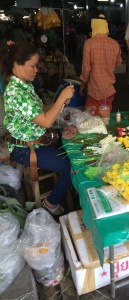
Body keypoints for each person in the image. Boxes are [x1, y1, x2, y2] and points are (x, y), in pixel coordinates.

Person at [0, 41, 75, 216]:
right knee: (72, 166)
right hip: (25, 149)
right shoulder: (16, 92)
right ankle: (51, 202)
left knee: (69, 145)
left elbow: (40, 111)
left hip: (38, 139)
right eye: (33, 66)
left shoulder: (24, 85)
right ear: (17, 65)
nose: (36, 70)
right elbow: (46, 121)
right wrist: (61, 96)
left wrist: (60, 103)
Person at [80, 11, 122, 115]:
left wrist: (83, 83)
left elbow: (86, 69)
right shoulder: (115, 44)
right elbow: (118, 64)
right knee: (105, 119)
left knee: (91, 121)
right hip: (108, 91)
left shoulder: (89, 43)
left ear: (94, 25)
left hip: (94, 90)